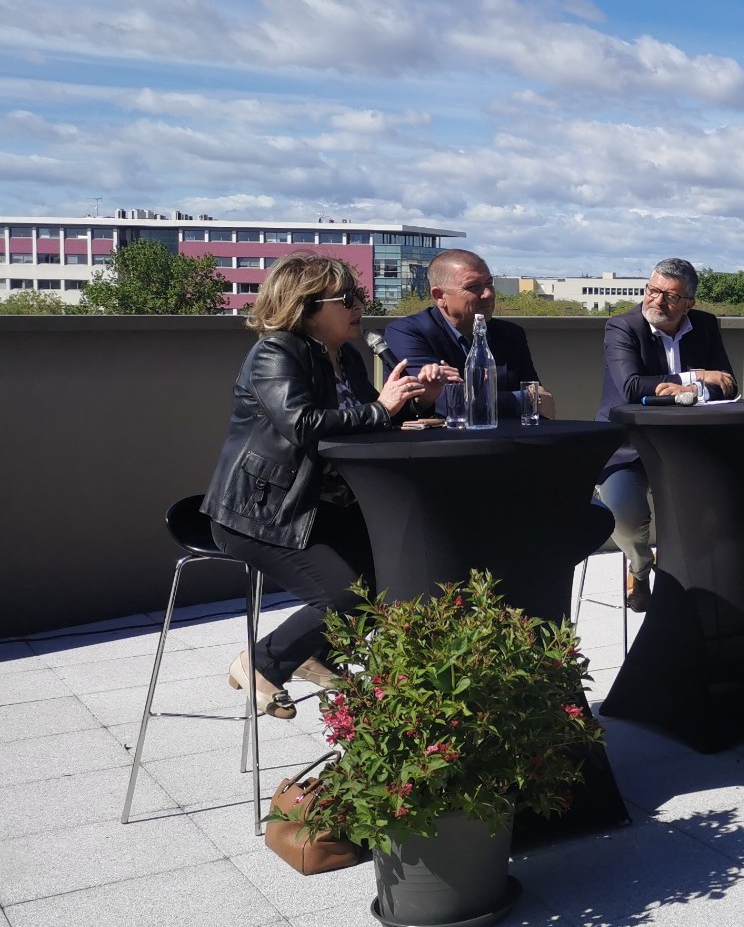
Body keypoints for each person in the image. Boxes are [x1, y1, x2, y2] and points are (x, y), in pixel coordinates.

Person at [204, 253, 452, 717]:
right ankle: (259, 661)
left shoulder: (349, 358)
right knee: (344, 594)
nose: (361, 304)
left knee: (397, 579)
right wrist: (382, 408)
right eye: (348, 298)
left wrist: (420, 404)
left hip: (325, 507)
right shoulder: (276, 352)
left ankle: (313, 655)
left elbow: (362, 426)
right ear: (308, 306)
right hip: (265, 513)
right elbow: (303, 424)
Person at [595, 258, 738, 610]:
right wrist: (694, 377)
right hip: (628, 448)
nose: (656, 301)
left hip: (688, 446)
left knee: (718, 506)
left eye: (669, 297)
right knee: (623, 517)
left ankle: (696, 582)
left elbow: (729, 385)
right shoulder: (622, 326)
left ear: (689, 303)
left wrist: (687, 391)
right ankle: (641, 570)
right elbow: (631, 387)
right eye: (652, 290)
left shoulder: (704, 326)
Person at [380, 249, 553, 421]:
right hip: (442, 444)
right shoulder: (407, 333)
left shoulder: (510, 334)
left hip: (507, 441)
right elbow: (444, 402)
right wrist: (522, 399)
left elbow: (542, 403)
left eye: (489, 283)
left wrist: (530, 399)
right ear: (439, 296)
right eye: (473, 287)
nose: (488, 294)